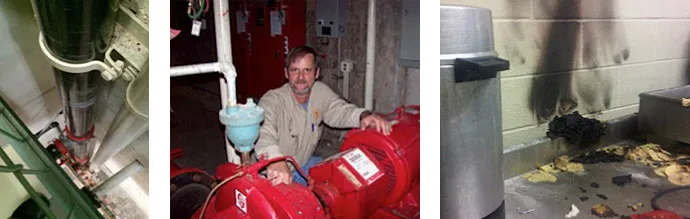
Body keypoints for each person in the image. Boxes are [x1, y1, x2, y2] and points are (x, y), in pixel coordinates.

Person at [255, 45, 392, 186]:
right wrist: (275, 160)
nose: (301, 77)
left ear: (316, 73)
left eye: (307, 70)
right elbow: (263, 133)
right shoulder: (272, 100)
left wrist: (363, 116)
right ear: (286, 73)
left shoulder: (320, 92)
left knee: (340, 181)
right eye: (295, 70)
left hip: (303, 164)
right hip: (274, 175)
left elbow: (339, 110)